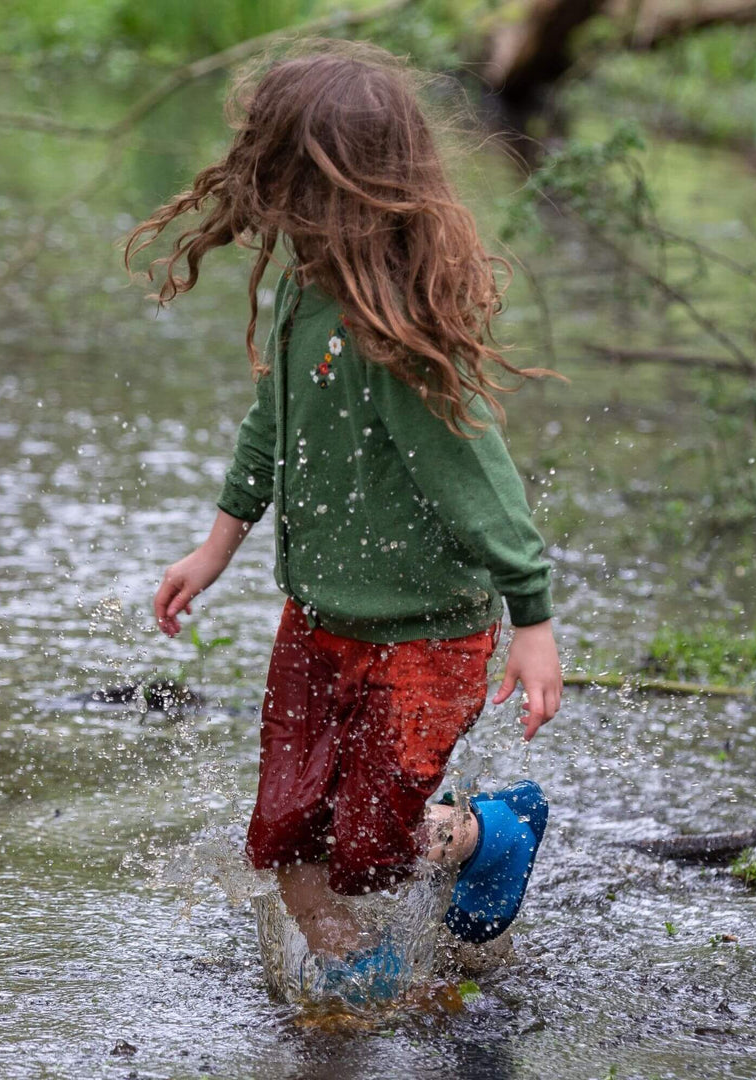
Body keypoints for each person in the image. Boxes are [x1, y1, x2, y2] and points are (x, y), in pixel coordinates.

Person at [126, 40, 562, 998]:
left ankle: (495, 831)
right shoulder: (302, 295)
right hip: (317, 622)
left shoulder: (398, 331)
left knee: (373, 843)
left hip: (426, 636)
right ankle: (348, 969)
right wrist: (218, 542)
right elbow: (271, 423)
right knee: (283, 828)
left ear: (334, 185)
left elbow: (479, 474)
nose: (265, 203)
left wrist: (531, 617)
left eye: (278, 178)